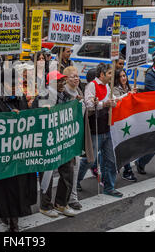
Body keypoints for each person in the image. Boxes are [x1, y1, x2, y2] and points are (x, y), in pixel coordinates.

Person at [0, 69, 38, 232]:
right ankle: (10, 219)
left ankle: (14, 217)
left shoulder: (21, 98)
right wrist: (6, 119)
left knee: (19, 187)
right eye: (11, 83)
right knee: (5, 189)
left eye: (16, 83)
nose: (15, 87)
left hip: (19, 152)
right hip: (3, 156)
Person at [38, 70, 80, 218]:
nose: (63, 83)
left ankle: (61, 203)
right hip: (48, 142)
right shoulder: (43, 96)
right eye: (59, 81)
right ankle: (45, 205)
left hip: (63, 140)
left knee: (68, 172)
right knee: (47, 176)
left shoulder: (64, 95)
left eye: (63, 81)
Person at [81, 63, 123, 197]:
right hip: (95, 128)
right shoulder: (92, 85)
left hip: (108, 128)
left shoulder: (108, 86)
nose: (112, 76)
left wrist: (117, 101)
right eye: (109, 73)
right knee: (90, 160)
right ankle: (76, 180)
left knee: (110, 159)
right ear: (102, 74)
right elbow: (88, 104)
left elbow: (113, 101)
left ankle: (109, 187)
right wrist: (103, 104)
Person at [63, 66, 95, 210]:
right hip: (63, 137)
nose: (76, 78)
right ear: (66, 79)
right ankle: (55, 201)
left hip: (75, 135)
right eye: (73, 76)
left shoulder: (79, 90)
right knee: (63, 170)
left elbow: (84, 112)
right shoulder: (62, 92)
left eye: (77, 76)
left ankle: (72, 197)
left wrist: (92, 105)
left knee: (74, 168)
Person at [113, 68, 138, 182]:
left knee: (127, 146)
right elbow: (117, 101)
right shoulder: (114, 89)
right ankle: (127, 170)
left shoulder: (129, 87)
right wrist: (129, 94)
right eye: (121, 76)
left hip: (128, 120)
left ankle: (126, 170)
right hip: (118, 122)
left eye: (125, 76)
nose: (124, 78)